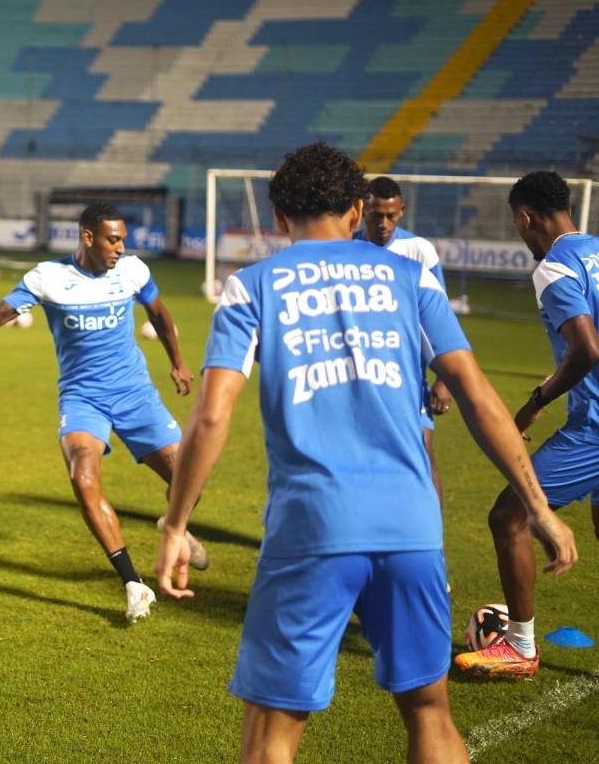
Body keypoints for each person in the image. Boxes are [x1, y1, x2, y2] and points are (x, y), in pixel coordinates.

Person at [155, 143, 576, 764]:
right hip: (411, 527)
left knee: (271, 736)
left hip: (311, 529)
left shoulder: (250, 288)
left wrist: (176, 522)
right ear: (357, 210)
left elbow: (213, 414)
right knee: (431, 714)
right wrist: (538, 506)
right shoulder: (410, 279)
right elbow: (480, 396)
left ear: (277, 217)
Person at [0, 202, 207, 624]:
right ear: (88, 238)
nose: (121, 248)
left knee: (190, 478)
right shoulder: (49, 278)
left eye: (123, 239)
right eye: (113, 240)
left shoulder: (134, 271)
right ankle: (134, 583)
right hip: (83, 399)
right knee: (83, 477)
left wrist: (177, 361)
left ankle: (175, 526)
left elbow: (159, 313)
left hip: (136, 394)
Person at [455, 170, 598, 678]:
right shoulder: (597, 251)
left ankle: (519, 646)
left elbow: (586, 349)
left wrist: (537, 399)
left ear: (525, 217)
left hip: (595, 432)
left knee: (509, 517)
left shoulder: (555, 267)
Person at [355, 176, 453, 503]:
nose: (383, 223)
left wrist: (445, 377)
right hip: (355, 374)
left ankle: (432, 544)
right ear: (361, 210)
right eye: (375, 215)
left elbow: (438, 317)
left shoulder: (418, 250)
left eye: (391, 216)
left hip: (407, 374)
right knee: (357, 459)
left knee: (423, 456)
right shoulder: (347, 247)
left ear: (402, 212)